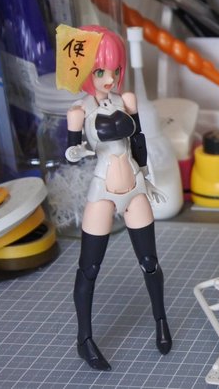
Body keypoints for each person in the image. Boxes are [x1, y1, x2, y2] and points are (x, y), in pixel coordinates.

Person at [65, 25, 171, 371]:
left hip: (135, 187)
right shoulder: (79, 111)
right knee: (89, 267)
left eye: (114, 70)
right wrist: (78, 150)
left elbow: (138, 141)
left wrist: (147, 177)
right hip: (103, 190)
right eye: (100, 71)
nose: (109, 79)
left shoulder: (127, 101)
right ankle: (84, 339)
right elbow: (70, 151)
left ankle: (161, 321)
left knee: (149, 262)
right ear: (85, 71)